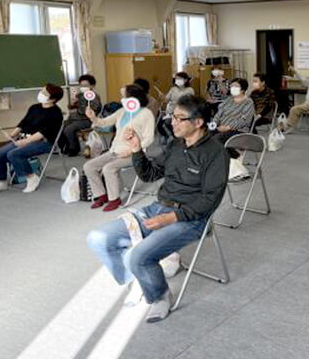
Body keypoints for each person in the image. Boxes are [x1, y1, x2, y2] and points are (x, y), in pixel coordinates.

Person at [87, 95, 229, 323]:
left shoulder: (215, 153)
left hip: (191, 219)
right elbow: (150, 174)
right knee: (98, 238)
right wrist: (136, 151)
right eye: (173, 116)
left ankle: (159, 296)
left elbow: (211, 199)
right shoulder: (175, 145)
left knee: (137, 256)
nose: (173, 122)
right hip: (158, 208)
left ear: (199, 122)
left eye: (180, 118)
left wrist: (171, 218)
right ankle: (140, 278)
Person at [83, 84, 155, 212]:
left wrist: (133, 149)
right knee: (89, 166)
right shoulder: (122, 111)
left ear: (133, 98)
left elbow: (149, 138)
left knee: (108, 168)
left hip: (134, 153)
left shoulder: (146, 114)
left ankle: (114, 199)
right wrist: (93, 117)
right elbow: (103, 123)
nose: (122, 99)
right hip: (114, 151)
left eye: (124, 96)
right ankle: (101, 195)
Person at [0, 84, 64, 194]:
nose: (41, 93)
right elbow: (23, 123)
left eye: (45, 92)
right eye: (42, 91)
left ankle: (31, 177)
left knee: (14, 154)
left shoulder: (55, 113)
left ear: (53, 98)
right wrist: (12, 134)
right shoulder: (35, 107)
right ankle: (0, 182)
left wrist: (26, 141)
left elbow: (44, 132)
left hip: (44, 142)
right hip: (24, 138)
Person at [60, 74, 102, 157]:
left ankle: (74, 148)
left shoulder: (94, 97)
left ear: (92, 86)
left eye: (86, 85)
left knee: (69, 129)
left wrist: (83, 107)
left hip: (87, 120)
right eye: (81, 85)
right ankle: (66, 145)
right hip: (75, 118)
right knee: (61, 126)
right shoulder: (80, 95)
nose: (83, 87)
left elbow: (93, 110)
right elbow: (70, 107)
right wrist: (72, 102)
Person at [212, 78, 255, 153]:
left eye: (235, 86)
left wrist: (228, 127)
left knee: (216, 140)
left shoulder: (248, 102)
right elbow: (219, 114)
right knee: (203, 136)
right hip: (221, 127)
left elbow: (244, 121)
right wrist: (214, 123)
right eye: (231, 86)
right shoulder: (229, 100)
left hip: (237, 130)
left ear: (242, 90)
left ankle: (234, 156)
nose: (232, 88)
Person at [158, 72, 195, 142]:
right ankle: (168, 136)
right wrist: (162, 97)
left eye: (179, 79)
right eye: (176, 78)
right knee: (160, 123)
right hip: (171, 112)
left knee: (168, 122)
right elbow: (166, 100)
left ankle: (175, 137)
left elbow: (191, 102)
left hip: (183, 112)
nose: (177, 80)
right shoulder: (173, 89)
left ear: (186, 80)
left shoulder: (190, 90)